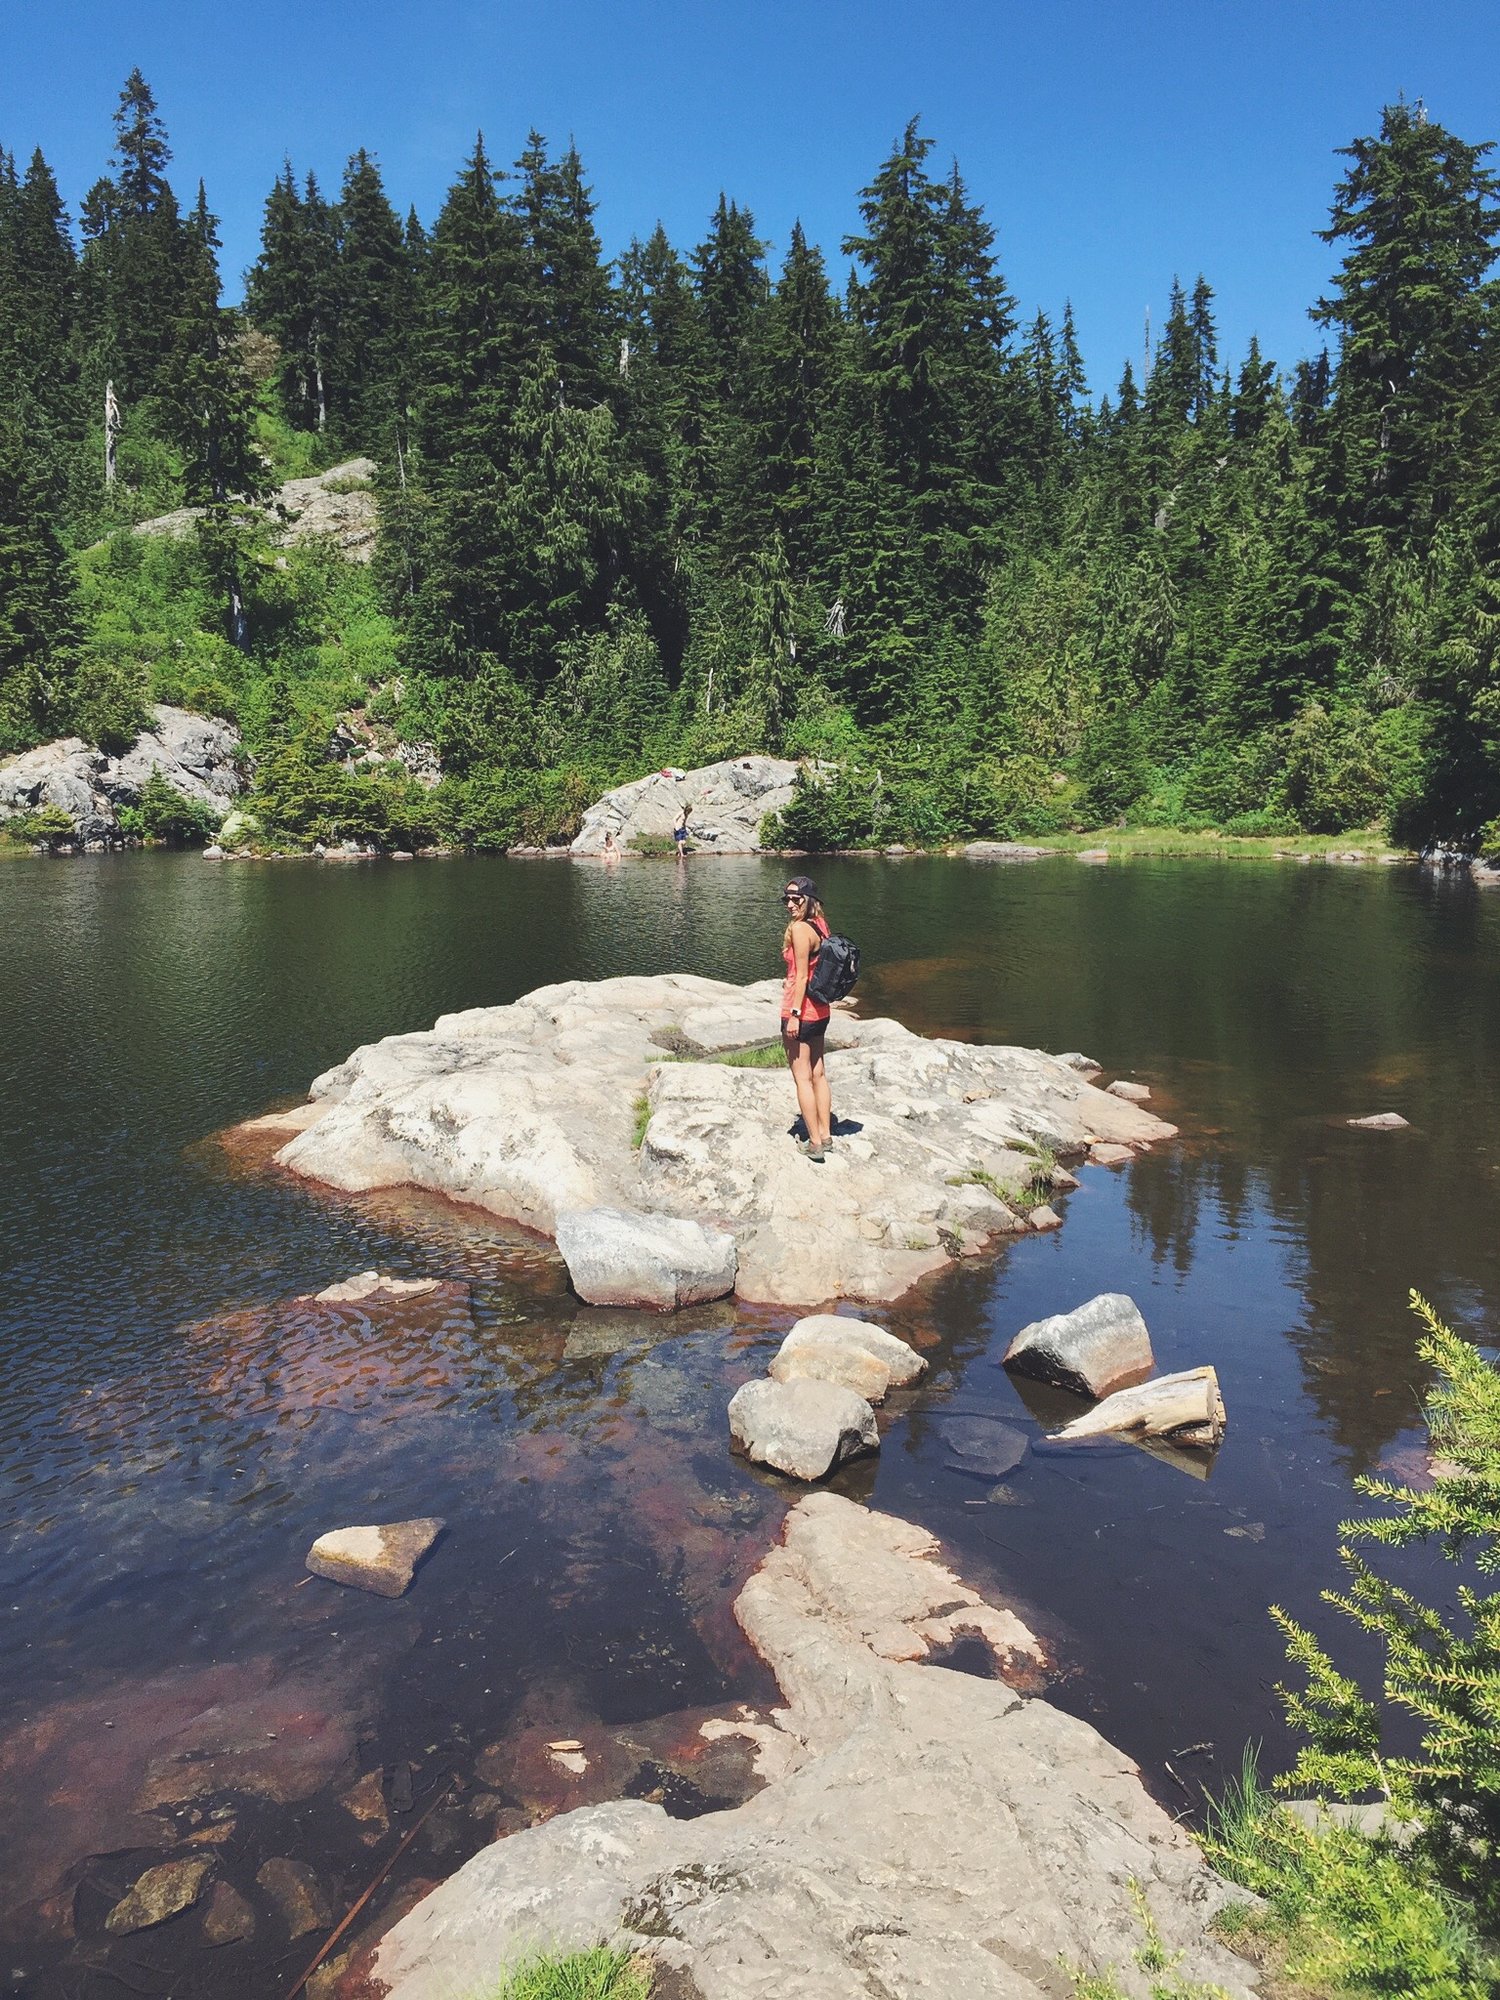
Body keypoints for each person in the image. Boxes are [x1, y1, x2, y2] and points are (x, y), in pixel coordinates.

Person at [780, 875, 833, 1161]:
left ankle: (815, 1144)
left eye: (796, 899)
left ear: (809, 900)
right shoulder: (821, 926)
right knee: (818, 1074)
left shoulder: (801, 929)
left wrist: (794, 1016)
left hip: (802, 1011)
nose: (789, 904)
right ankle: (826, 1134)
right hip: (821, 1010)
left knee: (803, 1078)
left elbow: (801, 977)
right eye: (786, 899)